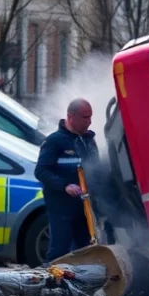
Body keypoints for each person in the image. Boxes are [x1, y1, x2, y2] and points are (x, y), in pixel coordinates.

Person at [34, 98, 100, 264]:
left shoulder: (89, 141)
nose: (89, 122)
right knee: (59, 251)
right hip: (61, 208)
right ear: (71, 117)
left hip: (84, 208)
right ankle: (50, 283)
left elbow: (97, 171)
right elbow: (41, 171)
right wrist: (65, 186)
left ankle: (78, 286)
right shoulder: (54, 141)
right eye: (85, 117)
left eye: (90, 117)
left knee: (84, 251)